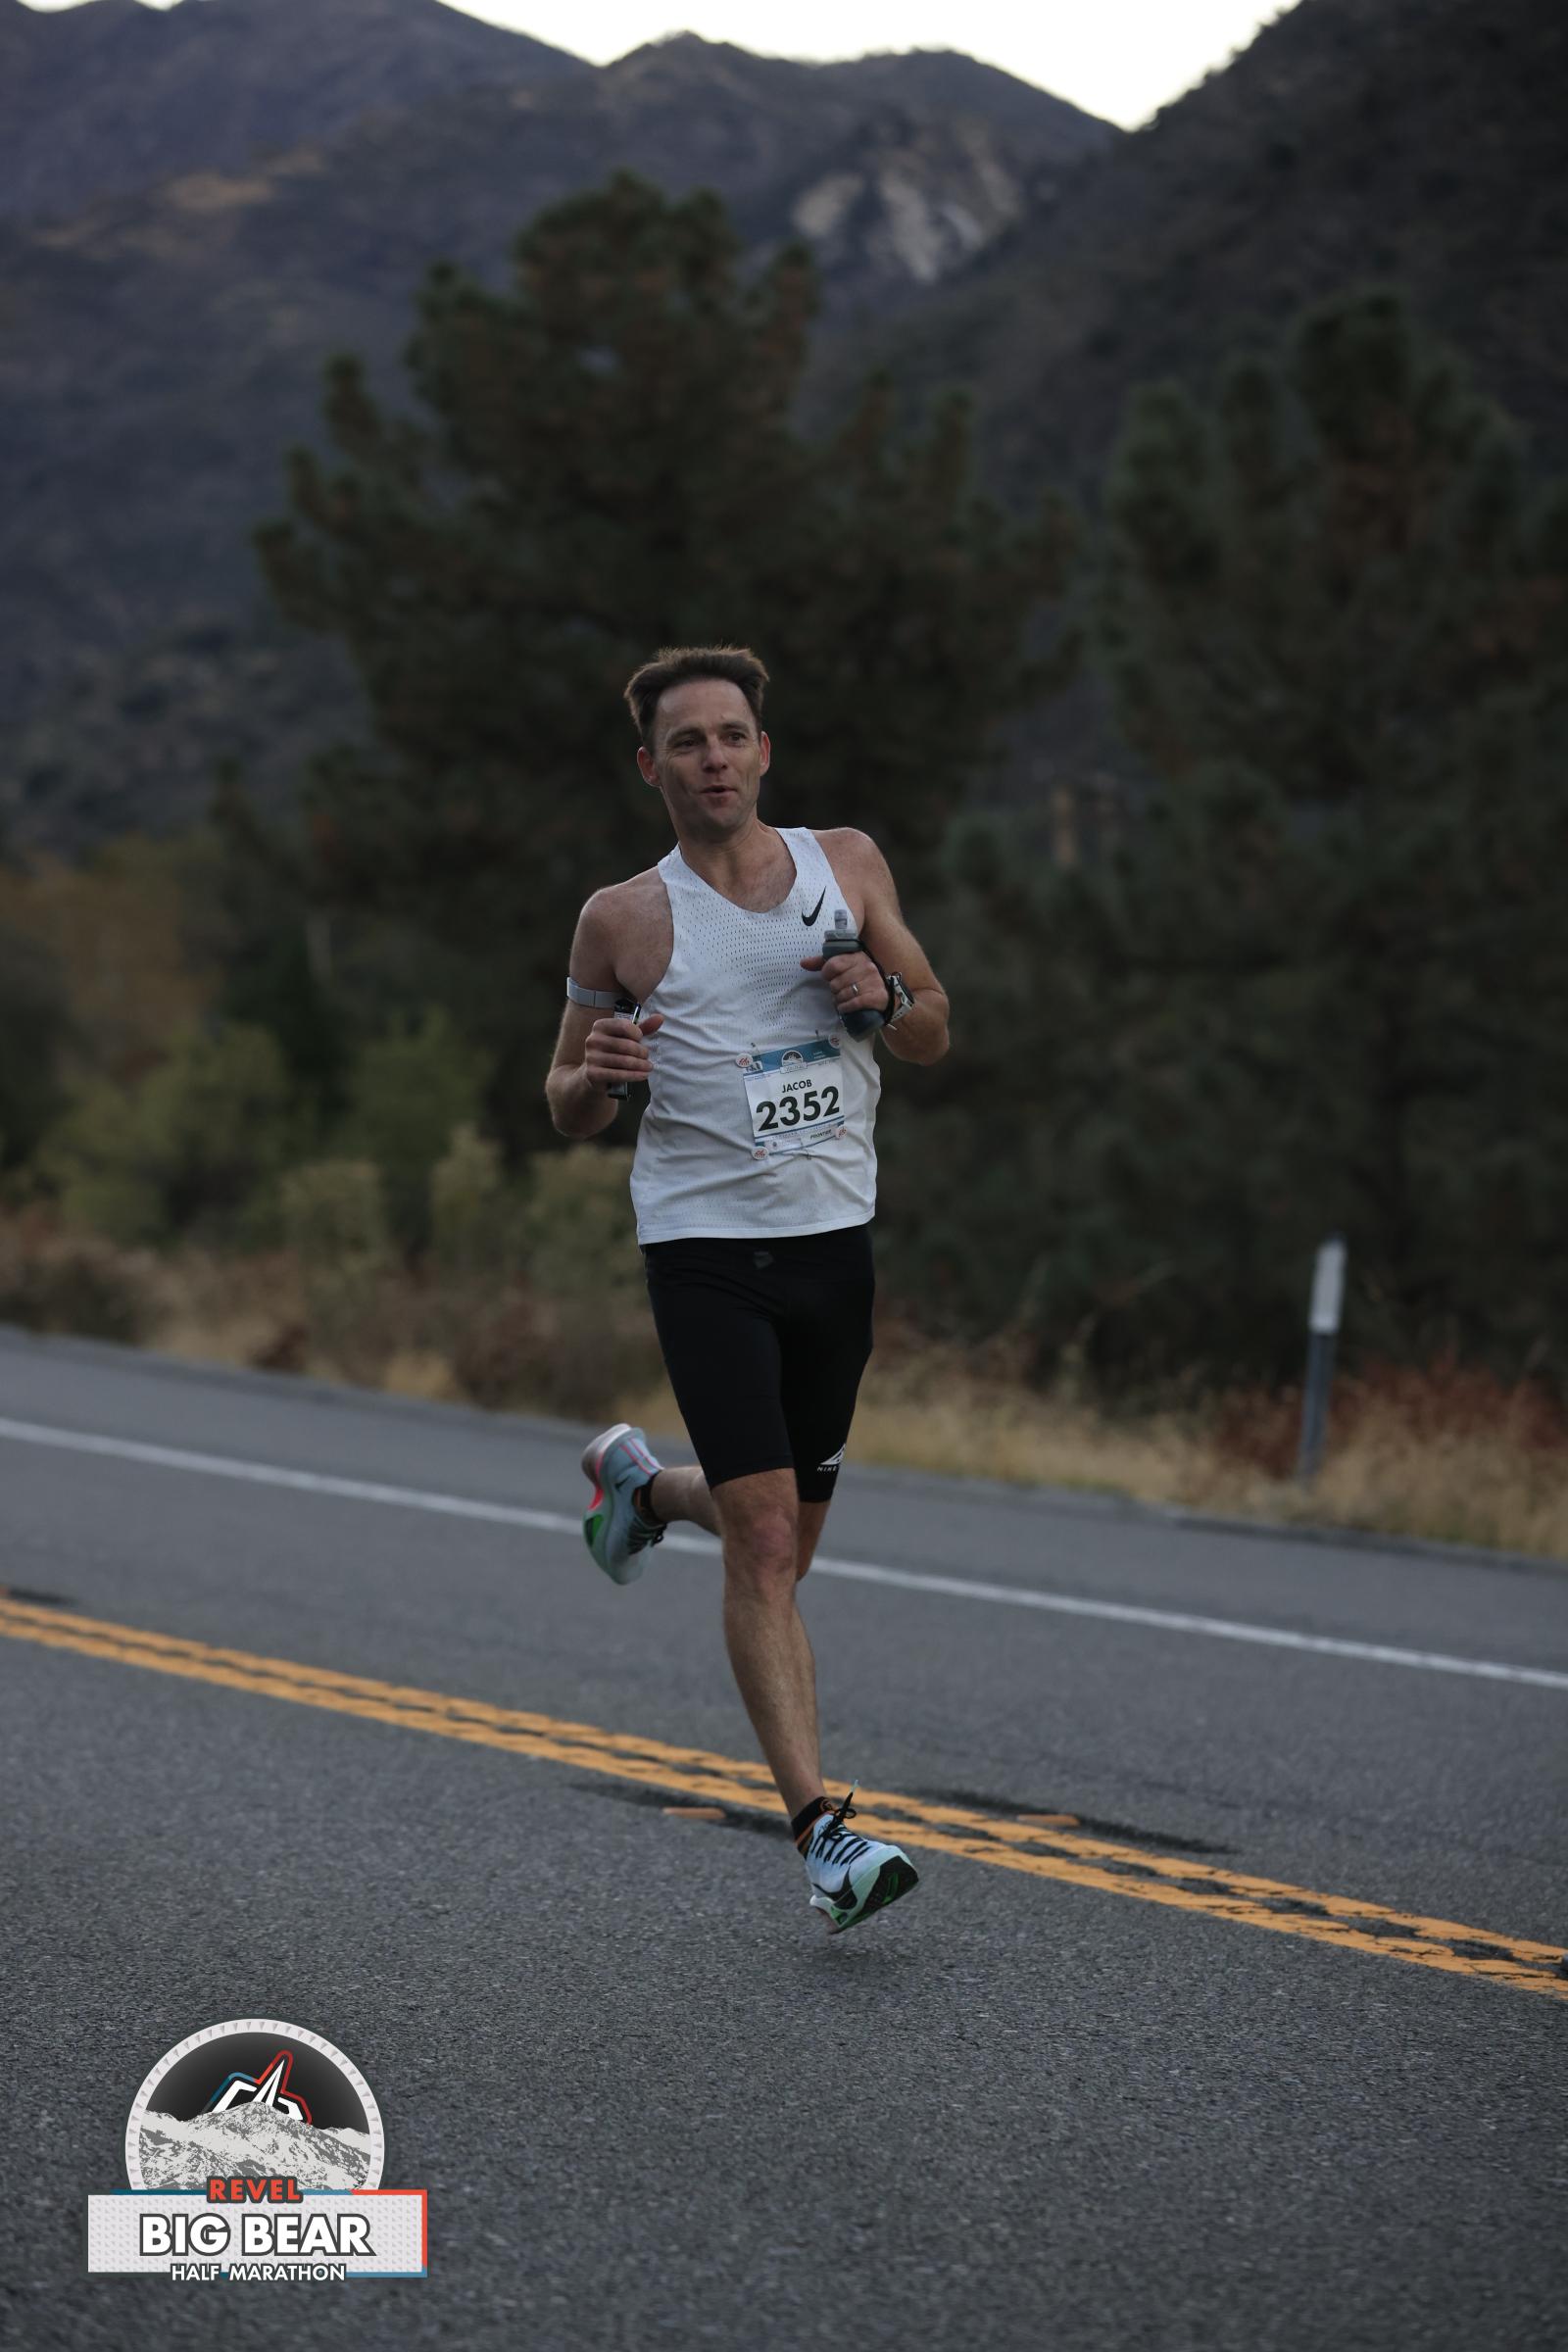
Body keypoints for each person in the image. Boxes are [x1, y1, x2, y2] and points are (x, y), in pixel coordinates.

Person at [545, 645, 950, 1932]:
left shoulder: (849, 865)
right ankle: (823, 1834)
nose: (712, 759)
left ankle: (643, 1490)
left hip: (836, 1247)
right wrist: (597, 1077)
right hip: (705, 1252)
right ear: (651, 766)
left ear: (763, 752)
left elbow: (935, 1025)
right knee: (766, 1545)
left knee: (784, 1542)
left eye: (731, 736)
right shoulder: (622, 919)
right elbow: (564, 1101)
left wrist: (885, 993)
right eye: (687, 742)